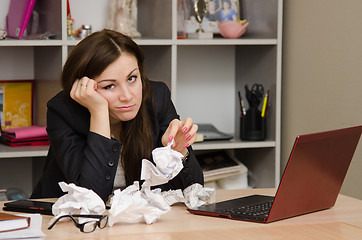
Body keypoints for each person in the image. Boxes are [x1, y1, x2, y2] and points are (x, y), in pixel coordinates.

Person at [31, 29, 204, 202]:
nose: (127, 96)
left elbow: (192, 190)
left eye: (132, 78)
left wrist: (178, 152)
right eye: (109, 86)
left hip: (135, 223)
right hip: (63, 222)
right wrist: (98, 112)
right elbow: (89, 198)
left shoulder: (157, 98)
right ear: (84, 88)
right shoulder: (63, 111)